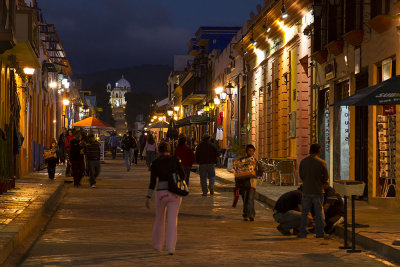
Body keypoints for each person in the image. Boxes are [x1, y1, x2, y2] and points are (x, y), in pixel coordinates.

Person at [146, 141, 185, 255]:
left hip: (161, 193)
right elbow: (182, 176)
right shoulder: (175, 160)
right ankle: (170, 247)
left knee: (159, 219)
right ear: (169, 150)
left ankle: (158, 245)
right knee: (173, 220)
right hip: (174, 193)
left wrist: (148, 196)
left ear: (159, 151)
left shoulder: (155, 163)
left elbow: (152, 182)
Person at [298, 144, 329, 238]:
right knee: (319, 212)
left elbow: (301, 175)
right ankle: (319, 232)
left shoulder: (303, 162)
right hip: (318, 190)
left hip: (306, 190)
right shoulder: (322, 162)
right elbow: (326, 177)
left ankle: (302, 232)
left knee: (305, 212)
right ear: (318, 151)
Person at [234, 144, 262, 221]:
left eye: (252, 151)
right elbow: (236, 171)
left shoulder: (255, 162)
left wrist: (257, 175)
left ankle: (251, 215)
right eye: (249, 151)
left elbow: (260, 171)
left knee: (250, 199)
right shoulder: (241, 161)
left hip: (252, 183)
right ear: (246, 151)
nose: (251, 152)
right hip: (243, 183)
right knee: (245, 199)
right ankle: (246, 214)